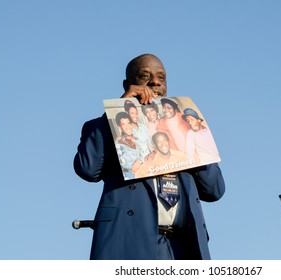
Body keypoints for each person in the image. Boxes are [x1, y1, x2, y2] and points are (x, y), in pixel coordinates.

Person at [73, 54, 225, 260]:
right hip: (129, 242)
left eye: (161, 78)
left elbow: (214, 190)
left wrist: (194, 143)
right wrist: (116, 112)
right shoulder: (103, 127)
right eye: (145, 76)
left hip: (182, 246)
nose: (155, 82)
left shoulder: (184, 128)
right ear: (128, 85)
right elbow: (88, 169)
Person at [114, 112, 143, 179]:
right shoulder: (118, 145)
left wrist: (140, 161)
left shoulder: (137, 140)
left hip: (144, 173)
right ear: (120, 127)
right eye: (123, 125)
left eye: (129, 123)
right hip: (130, 179)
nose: (128, 127)